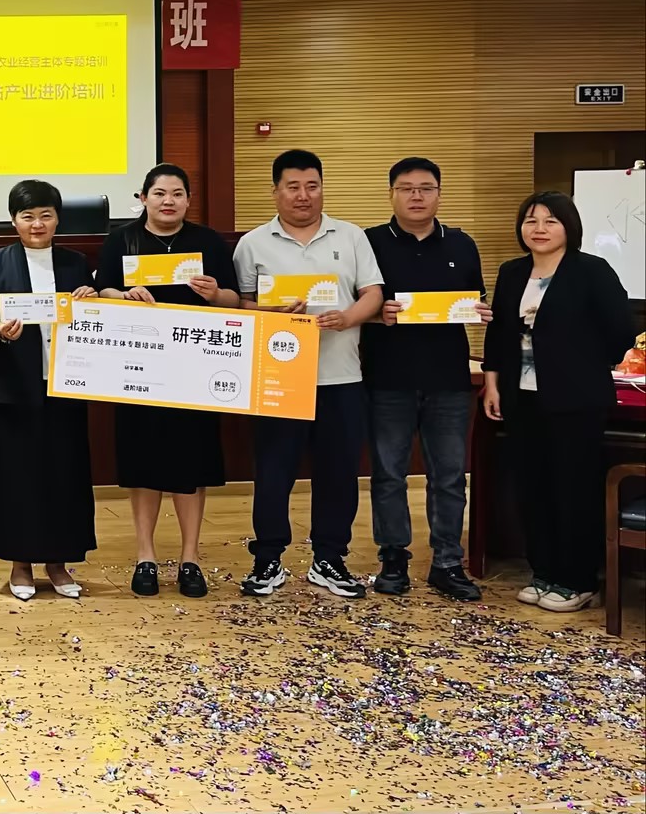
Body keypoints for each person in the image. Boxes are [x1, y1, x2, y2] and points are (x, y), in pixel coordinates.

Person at [233, 150, 383, 599]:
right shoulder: (253, 243)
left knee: (338, 472)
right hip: (277, 379)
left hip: (341, 376)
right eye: (293, 187)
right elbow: (240, 304)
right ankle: (267, 559)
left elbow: (373, 293)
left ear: (322, 189)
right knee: (273, 472)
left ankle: (329, 558)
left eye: (312, 186)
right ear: (276, 191)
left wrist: (348, 317)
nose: (303, 195)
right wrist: (271, 312)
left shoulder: (351, 236)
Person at [483, 191, 634, 613]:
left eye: (550, 221)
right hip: (522, 397)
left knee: (573, 488)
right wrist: (492, 384)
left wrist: (584, 362)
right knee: (533, 487)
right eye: (531, 220)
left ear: (569, 227)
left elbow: (621, 330)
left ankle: (578, 580)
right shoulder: (513, 272)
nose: (539, 229)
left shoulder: (591, 270)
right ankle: (545, 572)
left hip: (575, 399)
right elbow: (498, 334)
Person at [95, 164, 238, 598]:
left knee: (191, 463)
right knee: (144, 461)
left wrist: (215, 294)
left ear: (189, 200)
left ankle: (191, 558)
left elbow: (235, 299)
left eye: (177, 193)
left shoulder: (207, 241)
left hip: (195, 367)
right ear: (143, 198)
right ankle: (146, 557)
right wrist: (123, 295)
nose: (168, 201)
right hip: (139, 366)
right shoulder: (121, 240)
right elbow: (102, 291)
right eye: (159, 193)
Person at [362, 158, 491, 602]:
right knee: (388, 474)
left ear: (439, 193)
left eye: (426, 188)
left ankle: (448, 562)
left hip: (449, 379)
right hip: (387, 377)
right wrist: (376, 314)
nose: (416, 196)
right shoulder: (369, 243)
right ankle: (392, 558)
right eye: (406, 188)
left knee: (450, 476)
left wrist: (481, 312)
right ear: (391, 194)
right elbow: (351, 305)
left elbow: (474, 299)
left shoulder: (462, 244)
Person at [0, 180, 98, 601]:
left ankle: (59, 563)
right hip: (13, 386)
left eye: (46, 215)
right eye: (27, 216)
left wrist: (92, 298)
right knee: (16, 476)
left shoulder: (75, 263)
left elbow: (94, 314)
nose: (37, 223)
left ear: (58, 219)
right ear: (14, 220)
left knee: (66, 473)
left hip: (66, 383)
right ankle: (20, 564)